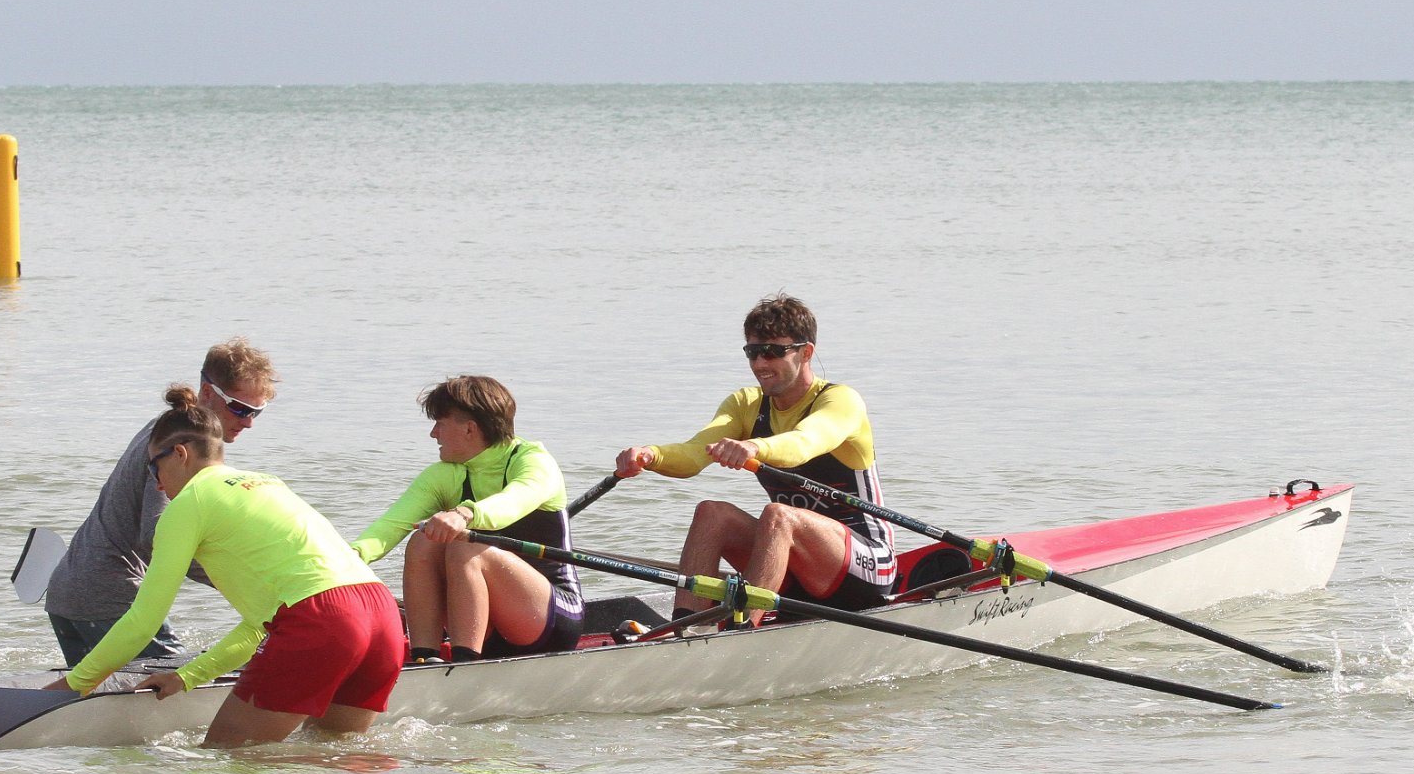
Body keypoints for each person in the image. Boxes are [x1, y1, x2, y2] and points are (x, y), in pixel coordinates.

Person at [51, 386, 404, 748]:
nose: (156, 482)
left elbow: (145, 619)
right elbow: (261, 625)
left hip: (324, 621)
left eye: (154, 466)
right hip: (382, 615)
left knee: (225, 760)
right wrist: (186, 677)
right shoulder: (269, 484)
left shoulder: (188, 504)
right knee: (338, 760)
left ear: (180, 454)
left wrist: (72, 686)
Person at [613, 294, 893, 627]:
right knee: (712, 512)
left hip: (866, 563)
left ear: (806, 352)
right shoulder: (746, 403)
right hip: (793, 569)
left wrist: (755, 448)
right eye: (752, 352)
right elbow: (693, 453)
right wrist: (650, 455)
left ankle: (742, 629)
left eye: (773, 352)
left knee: (779, 516)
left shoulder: (840, 400)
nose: (760, 363)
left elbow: (804, 443)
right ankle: (689, 627)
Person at [44, 339, 277, 666]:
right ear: (208, 393)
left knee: (104, 704)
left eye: (257, 411)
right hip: (110, 600)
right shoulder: (180, 447)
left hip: (67, 593)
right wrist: (242, 585)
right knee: (172, 687)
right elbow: (156, 534)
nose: (249, 421)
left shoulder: (168, 426)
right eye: (240, 408)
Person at [351, 376, 583, 664]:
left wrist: (464, 514)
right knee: (423, 540)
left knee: (464, 547)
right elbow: (391, 524)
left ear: (470, 429)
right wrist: (349, 557)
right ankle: (426, 657)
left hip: (549, 617)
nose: (433, 434)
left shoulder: (533, 461)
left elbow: (514, 501)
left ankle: (465, 664)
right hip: (483, 623)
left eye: (440, 423)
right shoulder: (446, 474)